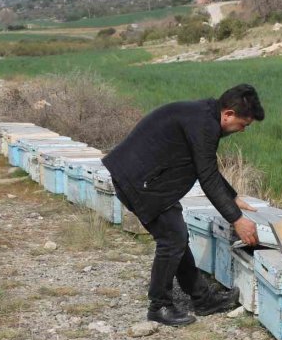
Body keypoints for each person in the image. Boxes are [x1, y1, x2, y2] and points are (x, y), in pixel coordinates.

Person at [102, 84, 265, 326]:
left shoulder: (204, 116)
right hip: (140, 181)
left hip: (148, 179)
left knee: (176, 235)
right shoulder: (204, 124)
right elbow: (207, 177)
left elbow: (205, 166)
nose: (241, 130)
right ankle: (159, 306)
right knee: (172, 239)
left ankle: (203, 298)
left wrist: (231, 196)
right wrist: (237, 219)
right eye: (243, 125)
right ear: (228, 114)